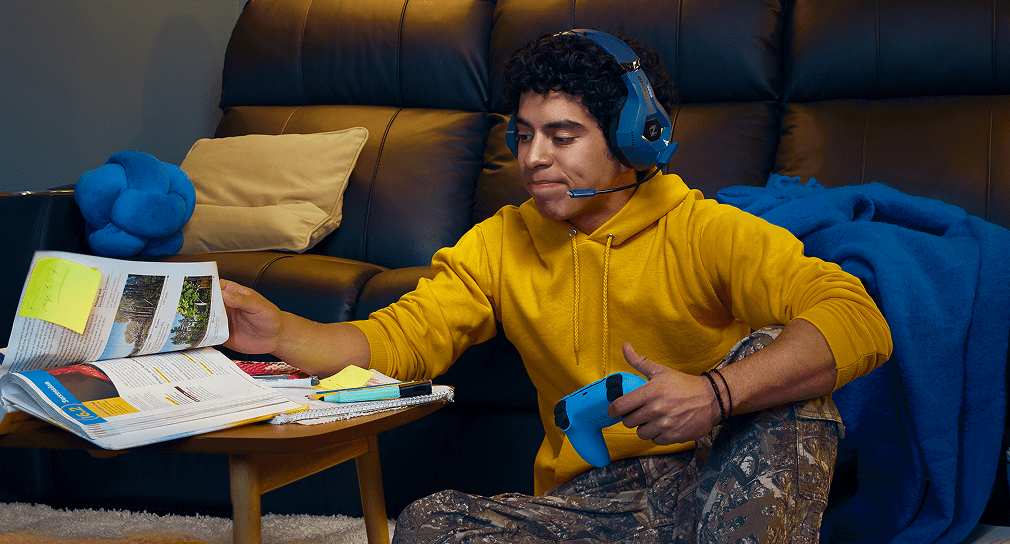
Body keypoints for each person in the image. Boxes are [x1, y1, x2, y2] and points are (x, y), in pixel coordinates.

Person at [221, 30, 892, 543]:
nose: (534, 158)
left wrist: (715, 394)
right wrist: (280, 331)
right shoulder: (499, 241)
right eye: (524, 136)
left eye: (562, 136)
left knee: (782, 361)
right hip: (596, 503)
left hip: (717, 481)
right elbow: (401, 338)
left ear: (636, 139)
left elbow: (856, 318)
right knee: (431, 523)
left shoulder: (708, 231)